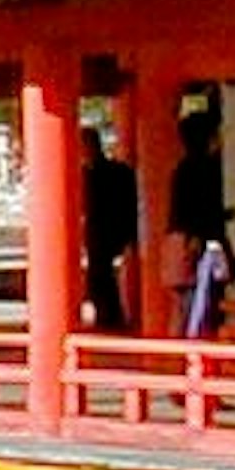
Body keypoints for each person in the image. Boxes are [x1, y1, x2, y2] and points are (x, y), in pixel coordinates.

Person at [164, 103, 235, 339]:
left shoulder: (182, 170)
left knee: (188, 305)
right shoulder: (206, 169)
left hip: (183, 242)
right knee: (201, 303)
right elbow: (203, 210)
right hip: (199, 244)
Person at [80, 126, 140, 330]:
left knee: (101, 277)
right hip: (103, 231)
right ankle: (110, 316)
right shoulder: (116, 171)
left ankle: (111, 318)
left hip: (105, 231)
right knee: (101, 278)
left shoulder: (100, 173)